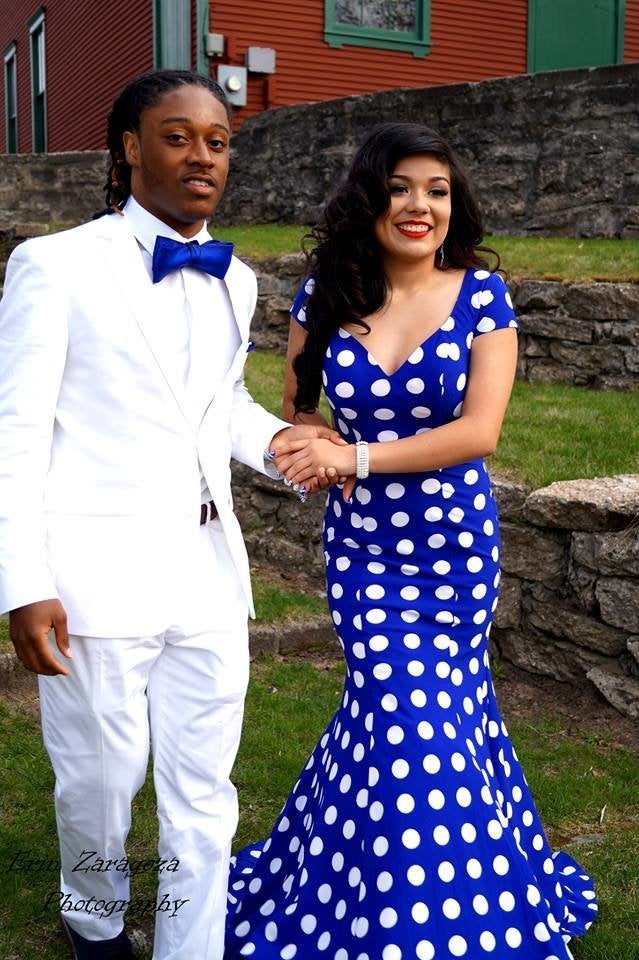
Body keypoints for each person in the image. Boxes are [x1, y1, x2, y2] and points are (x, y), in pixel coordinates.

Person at [225, 123, 597, 959]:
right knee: (397, 712)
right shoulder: (326, 293)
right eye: (399, 188)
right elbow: (300, 408)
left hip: (452, 550)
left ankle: (441, 907)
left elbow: (478, 433)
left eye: (436, 190)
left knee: (427, 715)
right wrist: (312, 443)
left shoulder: (481, 296)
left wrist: (355, 456)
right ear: (369, 198)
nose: (419, 205)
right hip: (363, 550)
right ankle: (375, 897)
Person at [0, 69, 340, 960]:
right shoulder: (55, 265)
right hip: (93, 579)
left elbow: (218, 408)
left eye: (217, 141)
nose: (202, 156)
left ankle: (192, 945)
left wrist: (282, 443)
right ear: (129, 148)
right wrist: (22, 583)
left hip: (207, 575)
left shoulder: (237, 281)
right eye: (178, 136)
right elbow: (16, 435)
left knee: (203, 789)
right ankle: (95, 924)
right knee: (99, 783)